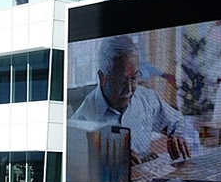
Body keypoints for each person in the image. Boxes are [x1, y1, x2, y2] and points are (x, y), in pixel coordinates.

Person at [73, 36, 191, 164]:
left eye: (134, 78)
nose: (129, 90)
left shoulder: (147, 98)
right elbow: (75, 167)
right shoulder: (82, 119)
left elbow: (179, 121)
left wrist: (178, 136)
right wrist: (110, 160)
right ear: (102, 78)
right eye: (121, 81)